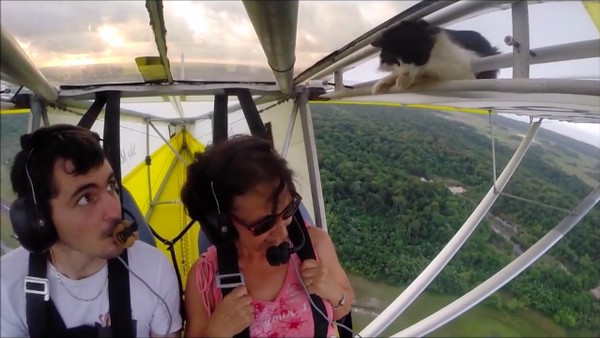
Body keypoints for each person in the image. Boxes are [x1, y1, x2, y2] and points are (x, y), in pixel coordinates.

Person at [0, 124, 182, 337]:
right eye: (85, 198)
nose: (114, 210)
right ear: (39, 219)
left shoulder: (154, 270)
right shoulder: (6, 283)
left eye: (110, 186)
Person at [181, 134, 354, 337]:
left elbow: (344, 306)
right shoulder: (205, 278)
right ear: (223, 224)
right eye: (264, 224)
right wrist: (216, 334)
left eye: (288, 210)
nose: (281, 232)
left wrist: (334, 293)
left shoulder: (315, 245)